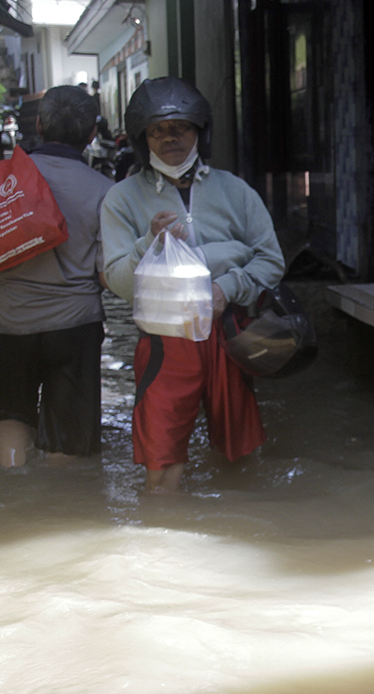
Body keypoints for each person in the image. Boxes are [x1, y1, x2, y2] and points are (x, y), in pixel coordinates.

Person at [101, 77, 285, 491]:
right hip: (166, 342)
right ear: (141, 139)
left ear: (200, 131)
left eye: (181, 127)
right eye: (157, 130)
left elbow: (272, 260)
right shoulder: (122, 199)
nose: (170, 138)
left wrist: (229, 288)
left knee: (240, 460)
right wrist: (149, 243)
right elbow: (117, 282)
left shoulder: (235, 191)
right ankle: (164, 546)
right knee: (161, 468)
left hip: (229, 334)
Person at [0, 85, 115, 467]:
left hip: (10, 322)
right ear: (91, 135)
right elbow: (107, 278)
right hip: (74, 326)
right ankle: (51, 511)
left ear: (38, 125)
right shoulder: (106, 191)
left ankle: (13, 494)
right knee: (66, 435)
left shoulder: (1, 177)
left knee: (12, 414)